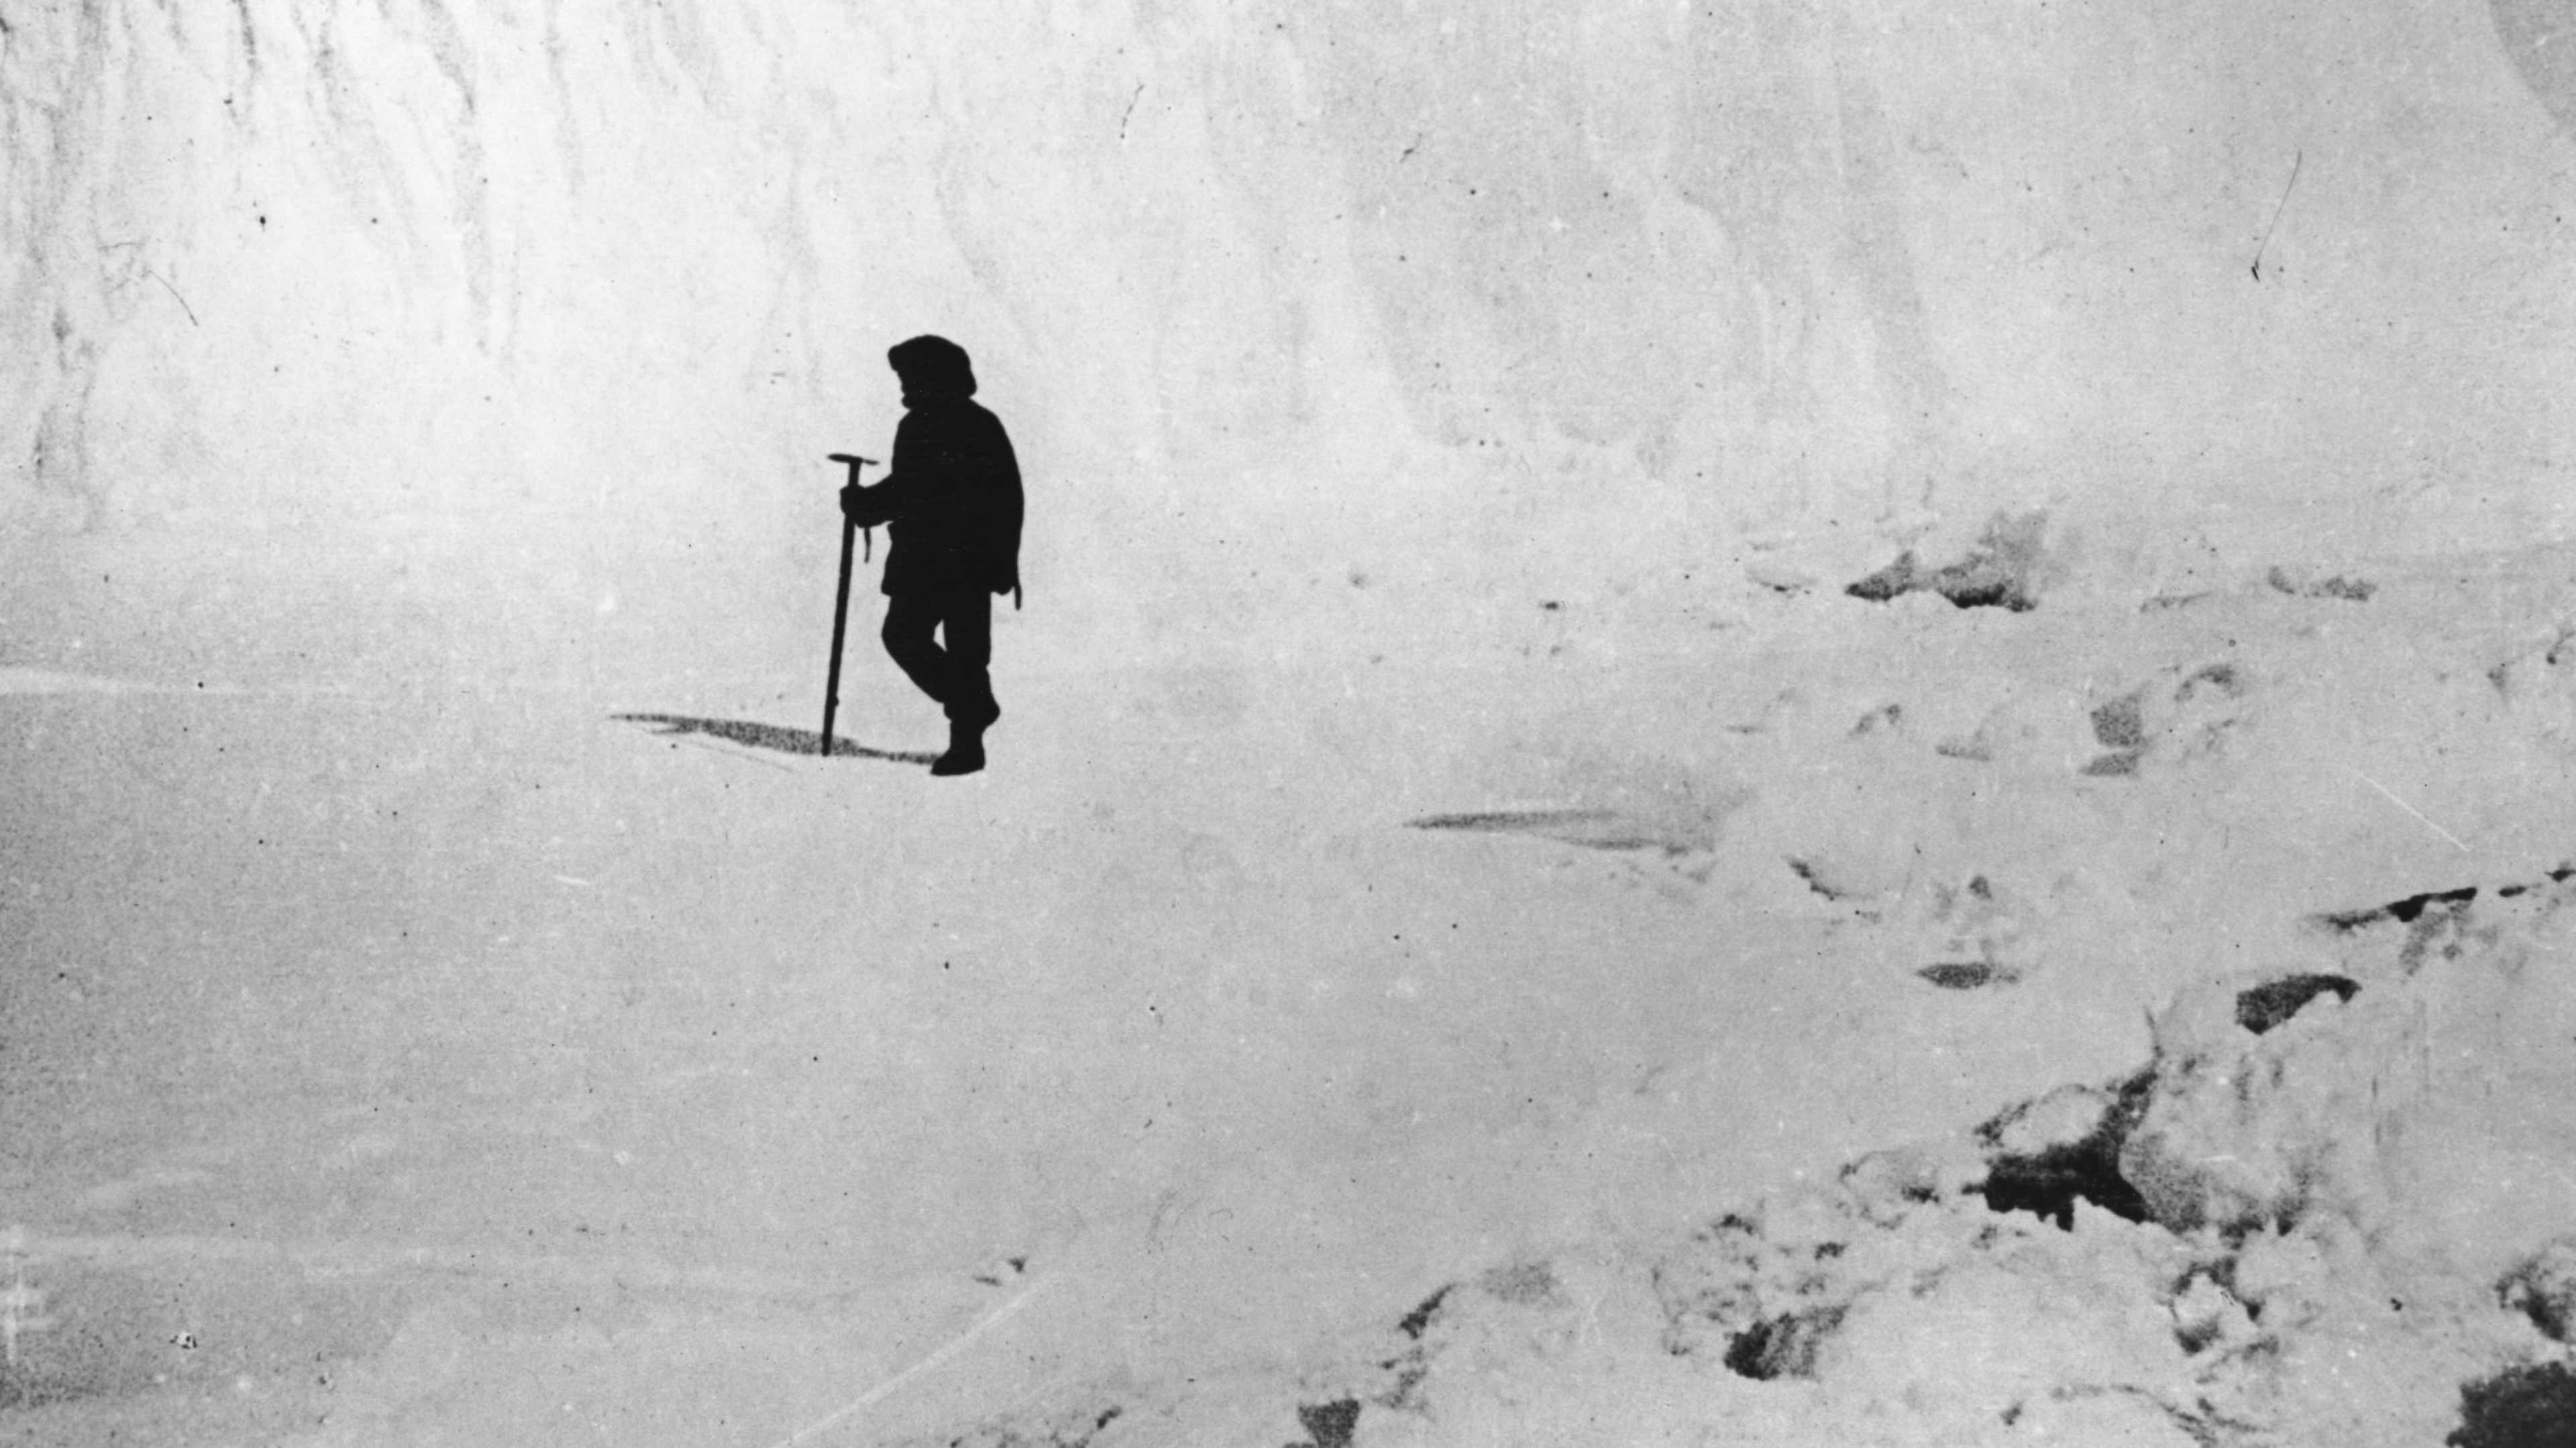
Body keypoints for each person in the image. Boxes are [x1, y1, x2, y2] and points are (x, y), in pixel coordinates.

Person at [840, 335, 1024, 776]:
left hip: (963, 560)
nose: (903, 384)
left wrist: (865, 504)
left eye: (910, 375)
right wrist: (868, 503)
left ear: (934, 375)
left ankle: (967, 744)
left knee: (962, 651)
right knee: (906, 638)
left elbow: (921, 489)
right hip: (926, 557)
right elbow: (910, 484)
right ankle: (974, 706)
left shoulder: (963, 424)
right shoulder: (924, 422)